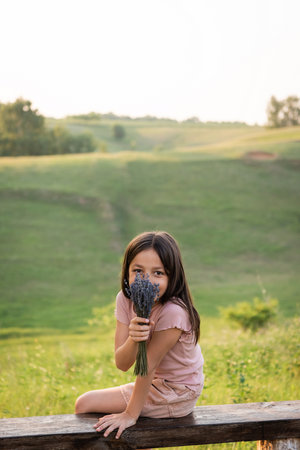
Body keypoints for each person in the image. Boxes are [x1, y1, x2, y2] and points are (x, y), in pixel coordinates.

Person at [75, 231, 204, 439]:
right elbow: (122, 362)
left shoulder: (174, 312)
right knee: (84, 404)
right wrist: (134, 338)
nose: (148, 280)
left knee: (86, 405)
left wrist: (129, 415)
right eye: (138, 271)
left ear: (173, 276)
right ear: (126, 272)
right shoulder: (125, 300)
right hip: (154, 385)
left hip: (177, 392)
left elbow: (148, 367)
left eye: (158, 273)